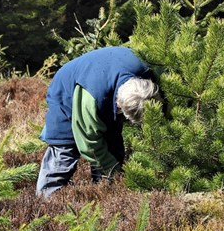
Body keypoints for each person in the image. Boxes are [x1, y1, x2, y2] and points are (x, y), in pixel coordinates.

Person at [36, 46, 160, 197]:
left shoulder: (148, 75)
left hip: (104, 80)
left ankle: (106, 196)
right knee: (64, 152)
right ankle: (44, 201)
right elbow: (89, 144)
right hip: (67, 92)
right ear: (119, 104)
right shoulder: (91, 98)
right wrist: (112, 169)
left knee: (113, 144)